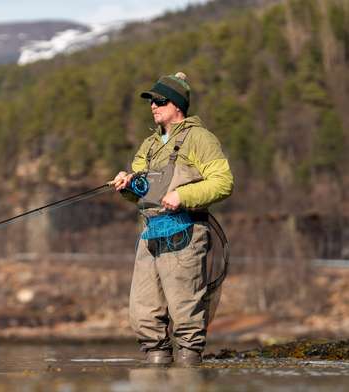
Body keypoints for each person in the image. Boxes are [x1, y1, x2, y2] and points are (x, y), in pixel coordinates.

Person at [111, 72, 234, 366]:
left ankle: (189, 373)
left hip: (187, 232)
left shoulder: (200, 139)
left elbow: (223, 182)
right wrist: (128, 185)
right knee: (142, 313)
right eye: (151, 101)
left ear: (177, 105)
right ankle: (156, 369)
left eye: (159, 100)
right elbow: (142, 192)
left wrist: (183, 196)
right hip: (151, 233)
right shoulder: (149, 145)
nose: (153, 106)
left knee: (185, 313)